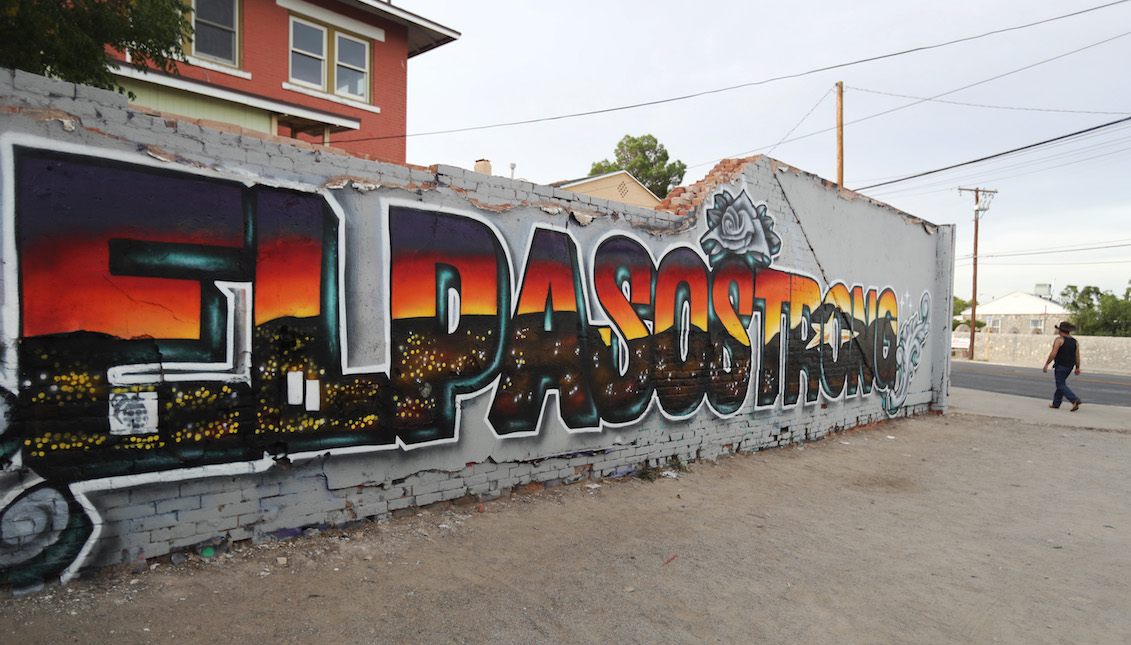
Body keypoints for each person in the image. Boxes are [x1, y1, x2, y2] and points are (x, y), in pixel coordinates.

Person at [1042, 321, 1081, 411]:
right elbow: (1077, 356)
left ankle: (1074, 400)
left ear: (1061, 331)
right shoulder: (1075, 342)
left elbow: (1053, 353)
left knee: (1060, 384)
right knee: (1061, 383)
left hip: (1060, 365)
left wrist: (1047, 364)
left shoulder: (1059, 339)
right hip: (1070, 366)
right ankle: (1056, 403)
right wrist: (1077, 367)